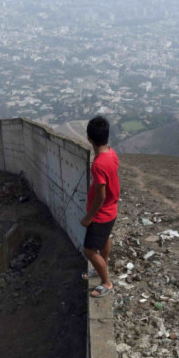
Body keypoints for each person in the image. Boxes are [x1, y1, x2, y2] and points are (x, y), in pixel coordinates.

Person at [80, 115, 120, 298]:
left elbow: (100, 194)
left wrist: (89, 217)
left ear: (89, 139)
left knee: (88, 250)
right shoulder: (111, 153)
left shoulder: (98, 165)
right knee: (104, 239)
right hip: (112, 210)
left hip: (101, 215)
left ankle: (106, 282)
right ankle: (102, 265)